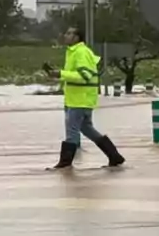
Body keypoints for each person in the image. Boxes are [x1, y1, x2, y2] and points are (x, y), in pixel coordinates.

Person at [48, 27, 125, 169]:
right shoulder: (73, 52)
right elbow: (75, 76)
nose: (66, 35)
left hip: (80, 100)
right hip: (78, 99)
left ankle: (65, 164)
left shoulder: (81, 53)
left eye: (69, 33)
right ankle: (114, 156)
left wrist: (61, 74)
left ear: (77, 37)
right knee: (87, 128)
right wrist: (59, 75)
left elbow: (85, 76)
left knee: (72, 130)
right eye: (66, 32)